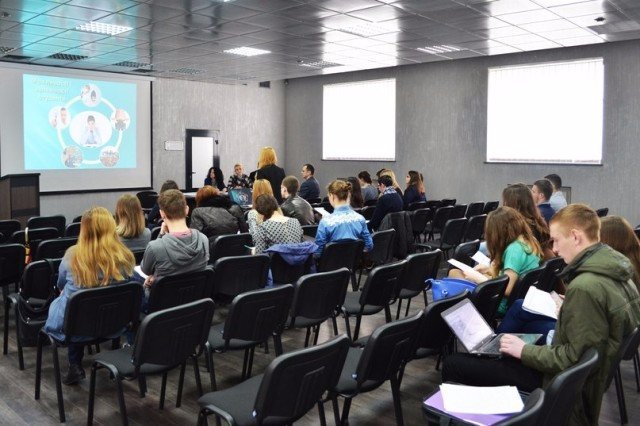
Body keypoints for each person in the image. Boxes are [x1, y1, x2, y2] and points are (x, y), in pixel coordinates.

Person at [443, 204, 640, 425]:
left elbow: (572, 359)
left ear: (575, 237)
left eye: (556, 240)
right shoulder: (619, 272)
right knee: (509, 340)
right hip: (576, 383)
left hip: (558, 385)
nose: (554, 249)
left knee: (454, 364)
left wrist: (524, 350)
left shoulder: (586, 287)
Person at [499, 214, 640, 340]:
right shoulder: (625, 271)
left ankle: (493, 350)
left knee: (523, 315)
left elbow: (579, 341)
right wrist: (572, 302)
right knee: (525, 318)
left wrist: (569, 308)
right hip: (600, 338)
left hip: (584, 339)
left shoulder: (593, 280)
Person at [44, 207, 135, 385]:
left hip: (74, 330)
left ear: (84, 229)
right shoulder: (124, 256)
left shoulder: (72, 256)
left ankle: (75, 365)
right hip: (113, 324)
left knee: (73, 304)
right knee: (83, 305)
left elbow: (61, 285)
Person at [449, 206, 542, 316]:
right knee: (457, 274)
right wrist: (489, 269)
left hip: (499, 304)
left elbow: (507, 290)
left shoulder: (514, 250)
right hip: (518, 299)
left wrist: (479, 279)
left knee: (454, 274)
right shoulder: (528, 241)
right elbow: (513, 274)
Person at [141, 189, 209, 290]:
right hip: (196, 297)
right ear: (187, 210)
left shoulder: (155, 247)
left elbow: (145, 270)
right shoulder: (203, 240)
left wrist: (161, 235)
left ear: (162, 214)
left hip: (163, 299)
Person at [315, 180, 373, 256]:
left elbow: (317, 253)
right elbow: (369, 246)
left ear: (332, 196)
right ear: (348, 195)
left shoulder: (325, 222)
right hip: (354, 262)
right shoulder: (360, 219)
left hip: (331, 262)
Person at [502, 183, 552, 254]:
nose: (503, 205)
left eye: (505, 201)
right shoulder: (537, 222)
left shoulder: (517, 228)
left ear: (513, 204)